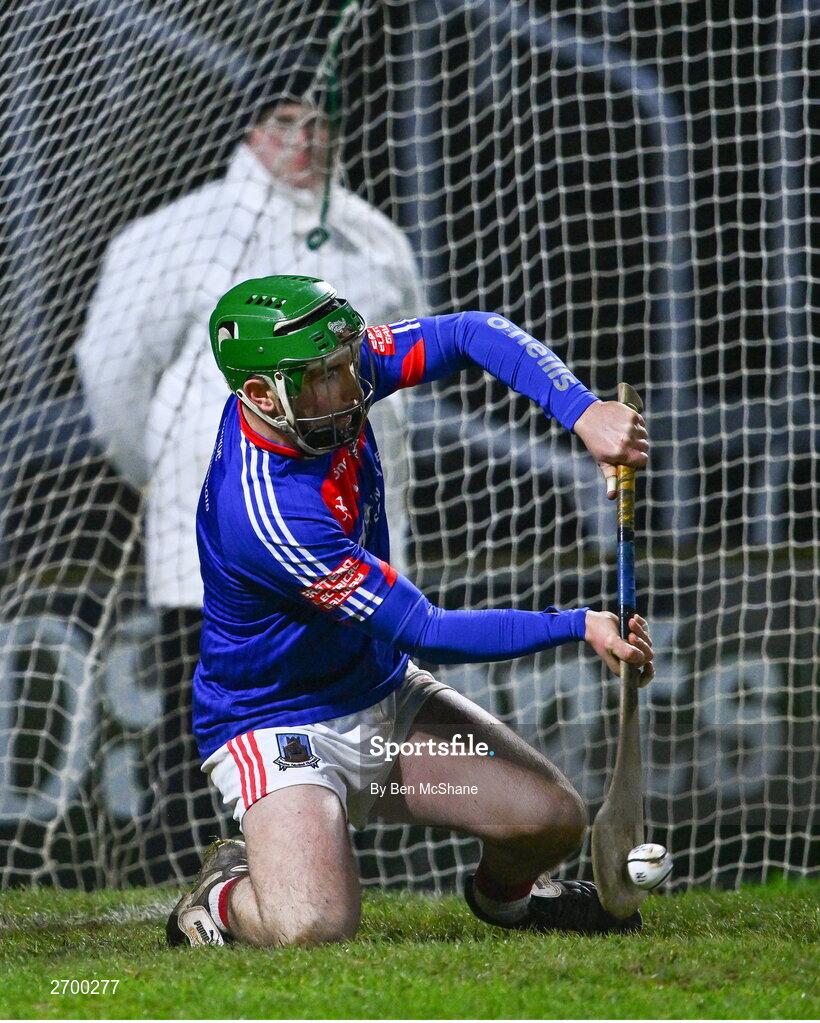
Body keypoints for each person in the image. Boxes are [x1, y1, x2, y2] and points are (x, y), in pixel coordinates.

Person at [165, 274, 654, 948]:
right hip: (278, 727)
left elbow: (470, 332)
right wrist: (578, 625)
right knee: (313, 925)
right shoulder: (269, 514)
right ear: (260, 395)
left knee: (551, 819)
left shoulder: (316, 375)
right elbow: (427, 629)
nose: (354, 382)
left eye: (347, 363)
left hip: (381, 694)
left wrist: (582, 411)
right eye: (328, 376)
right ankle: (222, 893)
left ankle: (509, 901)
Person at [76, 87, 424, 882]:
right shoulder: (176, 234)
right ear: (249, 128)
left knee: (358, 714)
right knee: (209, 724)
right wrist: (172, 485)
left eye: (320, 121)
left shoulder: (376, 238)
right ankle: (193, 878)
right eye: (284, 121)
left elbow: (398, 378)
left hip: (348, 543)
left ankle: (329, 876)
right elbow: (113, 372)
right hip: (223, 545)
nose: (305, 139)